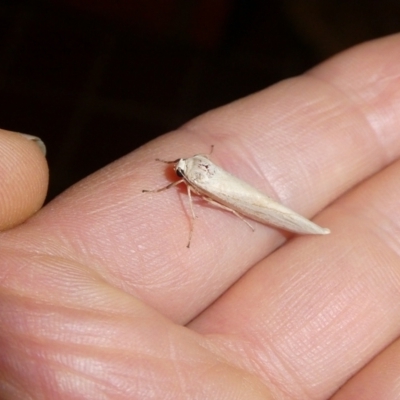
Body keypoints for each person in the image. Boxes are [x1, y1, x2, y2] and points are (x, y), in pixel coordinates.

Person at [1, 33, 399, 399]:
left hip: (233, 191)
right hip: (226, 185)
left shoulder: (191, 178)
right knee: (253, 205)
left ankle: (309, 227)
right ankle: (308, 226)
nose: (176, 170)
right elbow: (191, 169)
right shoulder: (189, 171)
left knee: (247, 204)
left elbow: (203, 185)